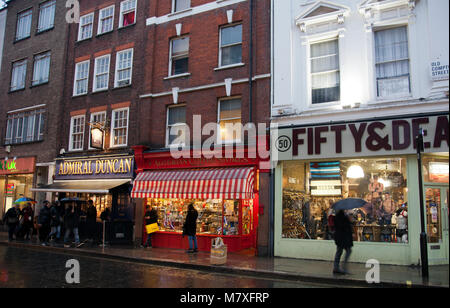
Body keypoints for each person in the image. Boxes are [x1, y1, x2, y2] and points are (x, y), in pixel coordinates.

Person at [333, 210, 353, 275]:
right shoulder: (341, 217)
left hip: (340, 238)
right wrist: (349, 221)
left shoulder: (338, 216)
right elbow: (343, 227)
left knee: (339, 251)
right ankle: (343, 268)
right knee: (348, 251)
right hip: (343, 238)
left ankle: (336, 268)